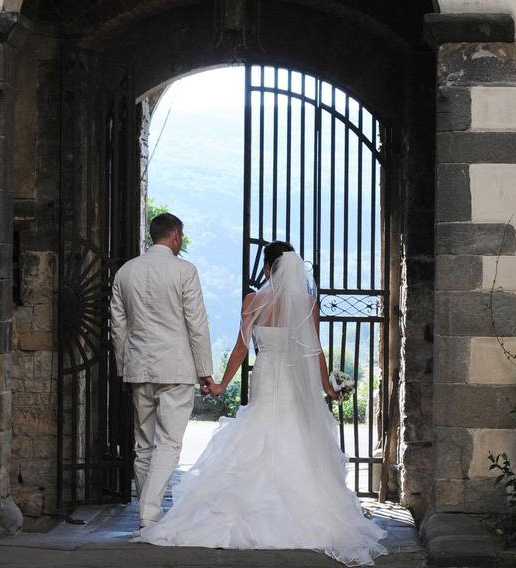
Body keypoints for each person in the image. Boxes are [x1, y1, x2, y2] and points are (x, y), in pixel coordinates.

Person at [131, 241, 388, 566]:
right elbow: (314, 352)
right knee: (294, 435)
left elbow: (240, 349)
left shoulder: (254, 300)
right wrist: (330, 389)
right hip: (294, 380)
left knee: (260, 430)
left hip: (266, 374)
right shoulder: (308, 302)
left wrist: (220, 383)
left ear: (268, 268)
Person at [110, 212, 215, 529]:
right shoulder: (185, 271)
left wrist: (123, 369)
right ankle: (150, 512)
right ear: (176, 236)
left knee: (143, 445)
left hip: (139, 367)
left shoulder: (125, 272)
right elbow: (196, 324)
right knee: (169, 443)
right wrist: (205, 371)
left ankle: (148, 514)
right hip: (176, 367)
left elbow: (118, 328)